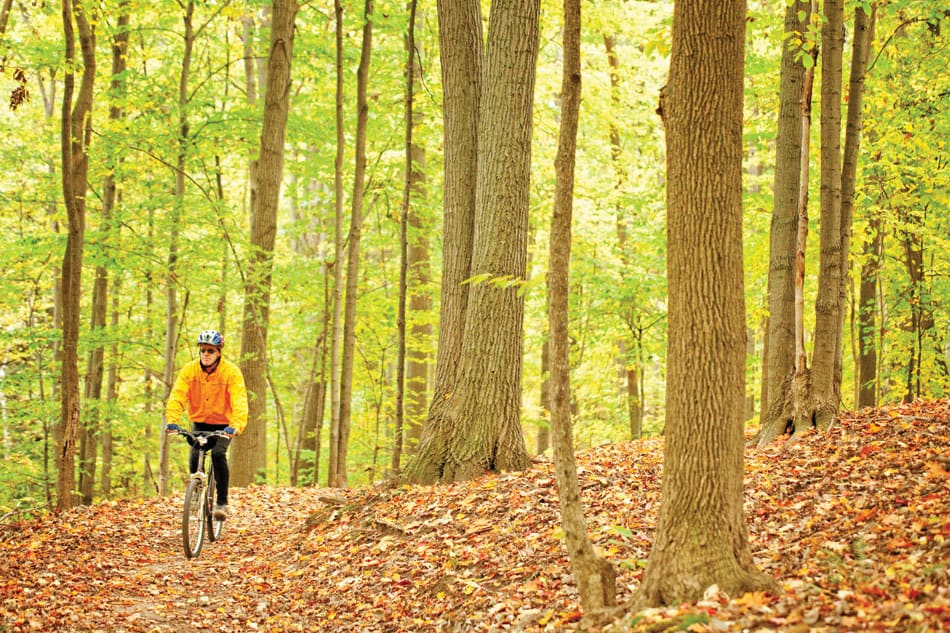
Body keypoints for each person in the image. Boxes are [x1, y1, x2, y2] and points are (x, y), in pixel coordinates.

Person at [165, 329, 248, 520]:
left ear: (219, 352)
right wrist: (172, 421)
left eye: (210, 351)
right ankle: (195, 495)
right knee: (195, 454)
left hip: (224, 425)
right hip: (200, 422)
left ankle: (222, 502)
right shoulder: (189, 371)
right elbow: (178, 396)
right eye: (203, 350)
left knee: (218, 454)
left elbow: (239, 401)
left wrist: (235, 425)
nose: (206, 354)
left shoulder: (231, 372)